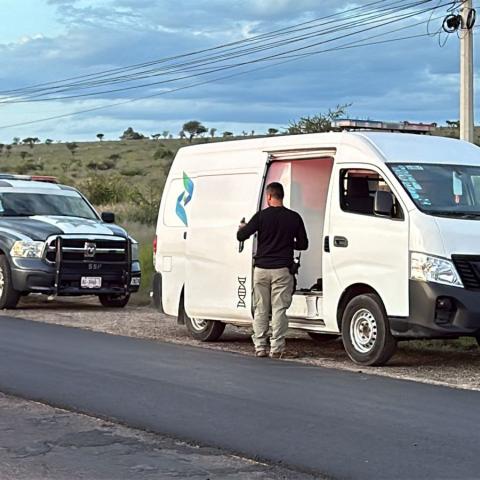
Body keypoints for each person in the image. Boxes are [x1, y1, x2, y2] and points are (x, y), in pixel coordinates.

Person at [237, 182, 309, 358]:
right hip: (282, 271)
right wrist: (287, 243)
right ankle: (277, 348)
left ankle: (260, 346)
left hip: (261, 270)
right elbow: (303, 244)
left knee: (261, 309)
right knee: (278, 309)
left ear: (269, 197)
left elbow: (241, 236)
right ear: (281, 196)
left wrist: (242, 228)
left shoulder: (261, 217)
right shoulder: (294, 217)